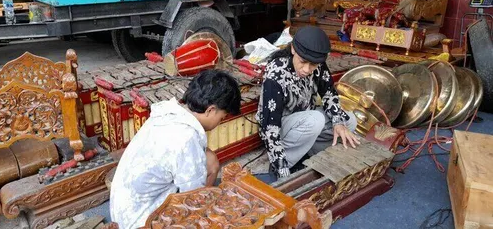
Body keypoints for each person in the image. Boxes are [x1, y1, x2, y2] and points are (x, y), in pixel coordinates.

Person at [110, 70, 241, 229]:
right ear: (211, 110)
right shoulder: (186, 137)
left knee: (210, 159)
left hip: (121, 208)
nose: (221, 122)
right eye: (222, 117)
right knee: (201, 207)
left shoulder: (169, 112)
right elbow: (194, 196)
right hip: (139, 221)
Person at [256, 26, 361, 179]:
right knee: (315, 120)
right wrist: (281, 170)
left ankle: (309, 155)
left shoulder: (317, 63)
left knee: (349, 120)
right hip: (280, 128)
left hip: (305, 121)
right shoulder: (276, 74)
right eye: (303, 62)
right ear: (293, 49)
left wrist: (338, 124)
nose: (306, 69)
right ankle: (289, 162)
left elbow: (329, 94)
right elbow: (270, 129)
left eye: (313, 65)